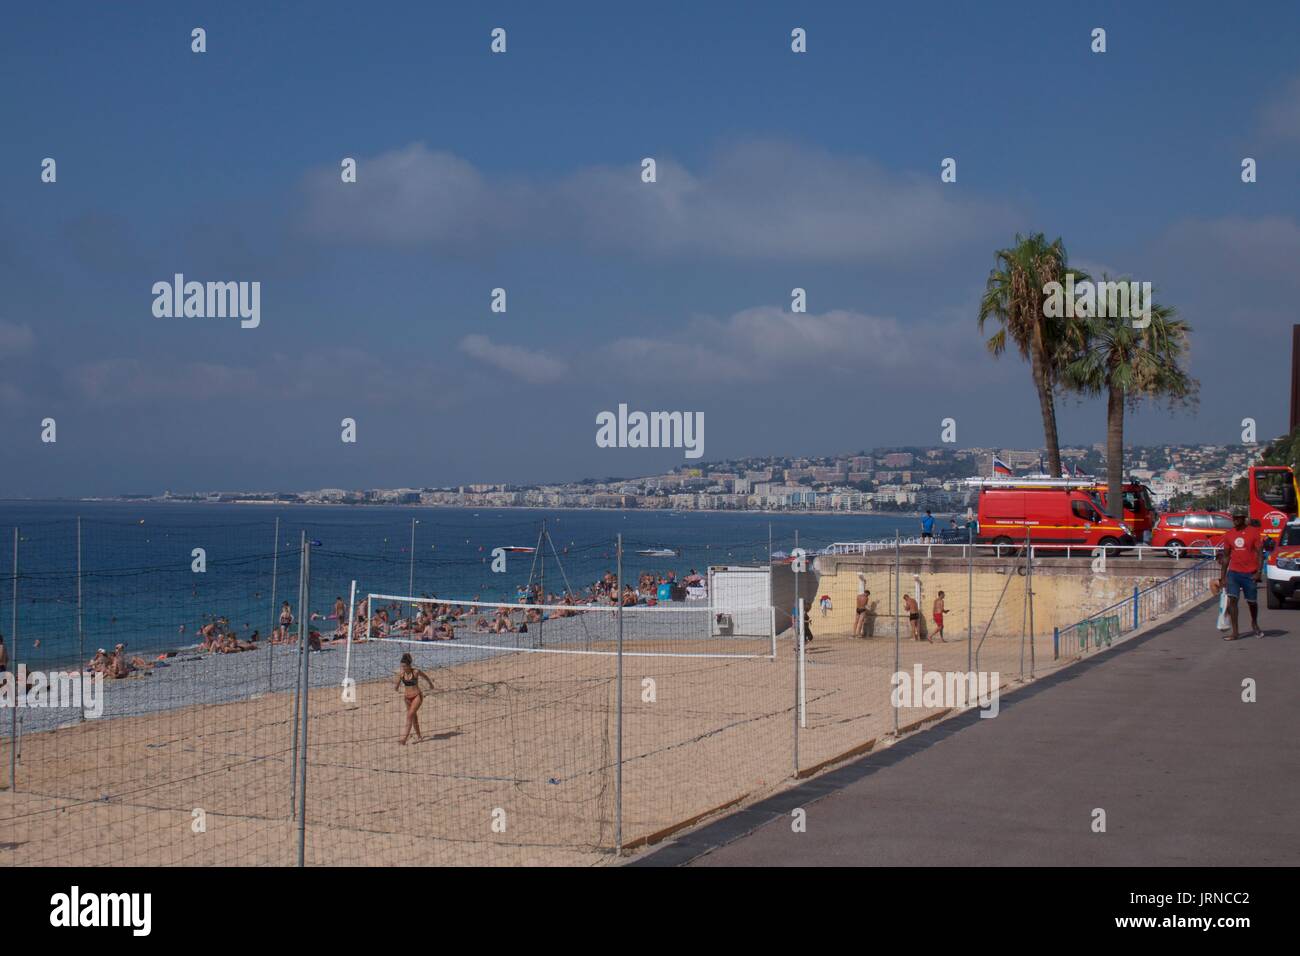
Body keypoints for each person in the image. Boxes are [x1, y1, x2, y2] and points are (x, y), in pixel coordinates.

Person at [1218, 508, 1264, 640]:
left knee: (1252, 602)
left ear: (1244, 518)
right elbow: (1226, 557)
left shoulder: (1254, 532)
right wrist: (1223, 577)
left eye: (1238, 518)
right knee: (1233, 600)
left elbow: (1260, 554)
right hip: (1234, 573)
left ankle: (1254, 623)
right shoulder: (1229, 534)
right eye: (1233, 518)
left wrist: (1259, 572)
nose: (1235, 520)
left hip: (1250, 573)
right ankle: (1235, 632)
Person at [394, 652, 435, 744]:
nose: (403, 668)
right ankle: (419, 736)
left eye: (404, 666)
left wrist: (431, 684)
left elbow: (426, 677)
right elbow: (396, 687)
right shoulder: (401, 674)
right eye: (402, 666)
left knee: (409, 716)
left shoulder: (416, 672)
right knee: (413, 718)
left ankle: (404, 739)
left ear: (409, 665)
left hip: (417, 696)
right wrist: (397, 683)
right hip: (407, 698)